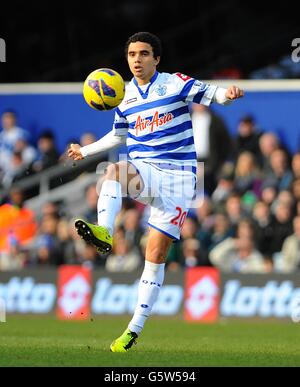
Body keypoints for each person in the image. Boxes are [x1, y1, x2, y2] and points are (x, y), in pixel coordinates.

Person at [67, 32, 244, 352]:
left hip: (179, 179)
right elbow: (118, 136)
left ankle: (133, 330)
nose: (137, 60)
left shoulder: (174, 83)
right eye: (132, 54)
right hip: (147, 170)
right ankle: (105, 232)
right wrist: (86, 150)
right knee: (114, 171)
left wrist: (228, 95)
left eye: (144, 54)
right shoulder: (123, 96)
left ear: (156, 59)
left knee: (156, 255)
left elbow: (212, 93)